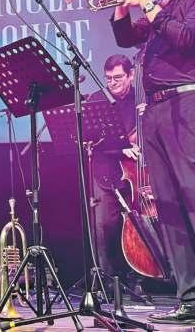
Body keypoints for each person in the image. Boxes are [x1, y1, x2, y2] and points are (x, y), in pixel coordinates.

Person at [110, 0, 195, 326]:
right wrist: (122, 5)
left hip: (189, 104)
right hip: (154, 110)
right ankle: (193, 297)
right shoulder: (169, 1)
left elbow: (184, 38)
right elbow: (126, 38)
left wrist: (148, 2)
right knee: (169, 206)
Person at [86, 55, 138, 282]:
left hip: (137, 173)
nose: (112, 83)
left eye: (118, 78)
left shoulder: (141, 99)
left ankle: (142, 276)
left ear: (131, 75)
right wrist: (121, 148)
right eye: (108, 79)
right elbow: (92, 139)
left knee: (139, 224)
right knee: (105, 225)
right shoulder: (97, 99)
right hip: (106, 171)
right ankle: (110, 279)